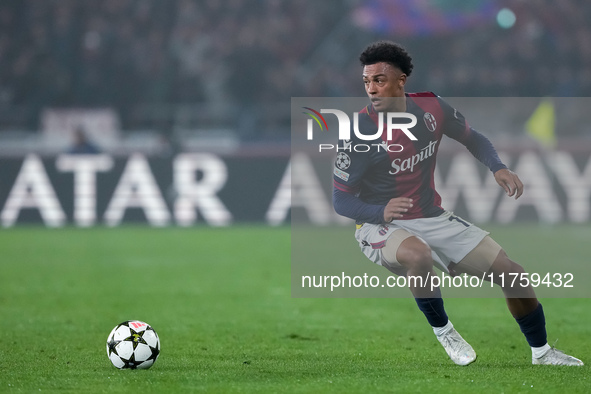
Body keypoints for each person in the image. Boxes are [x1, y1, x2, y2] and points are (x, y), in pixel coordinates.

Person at [332, 41, 583, 366]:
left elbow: (473, 137)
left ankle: (542, 353)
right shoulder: (357, 132)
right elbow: (341, 200)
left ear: (401, 81)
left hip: (430, 216)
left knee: (514, 276)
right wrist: (380, 211)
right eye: (366, 82)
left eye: (379, 80)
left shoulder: (432, 109)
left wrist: (498, 166)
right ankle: (444, 330)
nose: (371, 89)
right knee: (417, 254)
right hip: (378, 223)